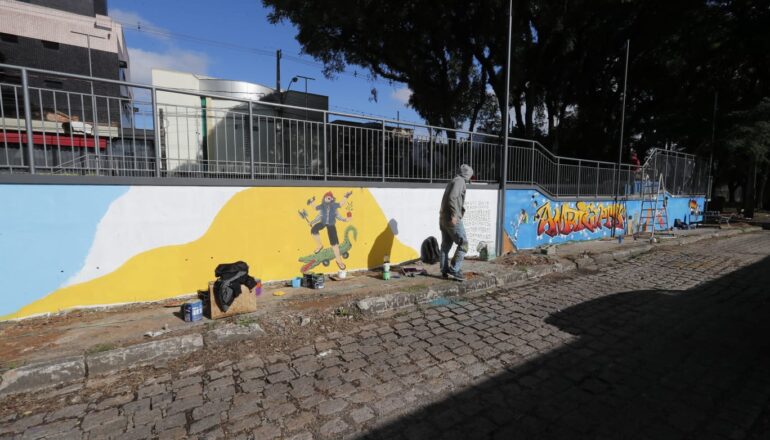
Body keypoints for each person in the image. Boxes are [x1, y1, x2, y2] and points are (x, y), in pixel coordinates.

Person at [439, 164, 473, 281]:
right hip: (451, 218)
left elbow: (450, 198)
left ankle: (444, 270)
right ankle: (454, 269)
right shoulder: (460, 181)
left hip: (443, 217)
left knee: (445, 245)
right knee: (464, 244)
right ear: (467, 174)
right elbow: (452, 197)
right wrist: (454, 214)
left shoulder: (453, 180)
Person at [310, 191, 352, 270]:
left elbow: (340, 207)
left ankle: (339, 261)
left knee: (334, 243)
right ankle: (319, 245)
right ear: (324, 198)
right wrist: (312, 202)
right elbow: (317, 212)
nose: (329, 199)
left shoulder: (334, 205)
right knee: (314, 230)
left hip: (331, 225)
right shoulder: (322, 206)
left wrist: (346, 196)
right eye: (328, 198)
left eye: (331, 198)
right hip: (323, 223)